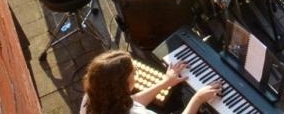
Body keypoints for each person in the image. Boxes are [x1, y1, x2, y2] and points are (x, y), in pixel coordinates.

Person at [80, 50, 220, 114]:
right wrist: (198, 98)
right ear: (121, 86)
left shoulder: (93, 95)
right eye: (133, 73)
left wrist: (165, 82)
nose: (136, 74)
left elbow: (131, 102)